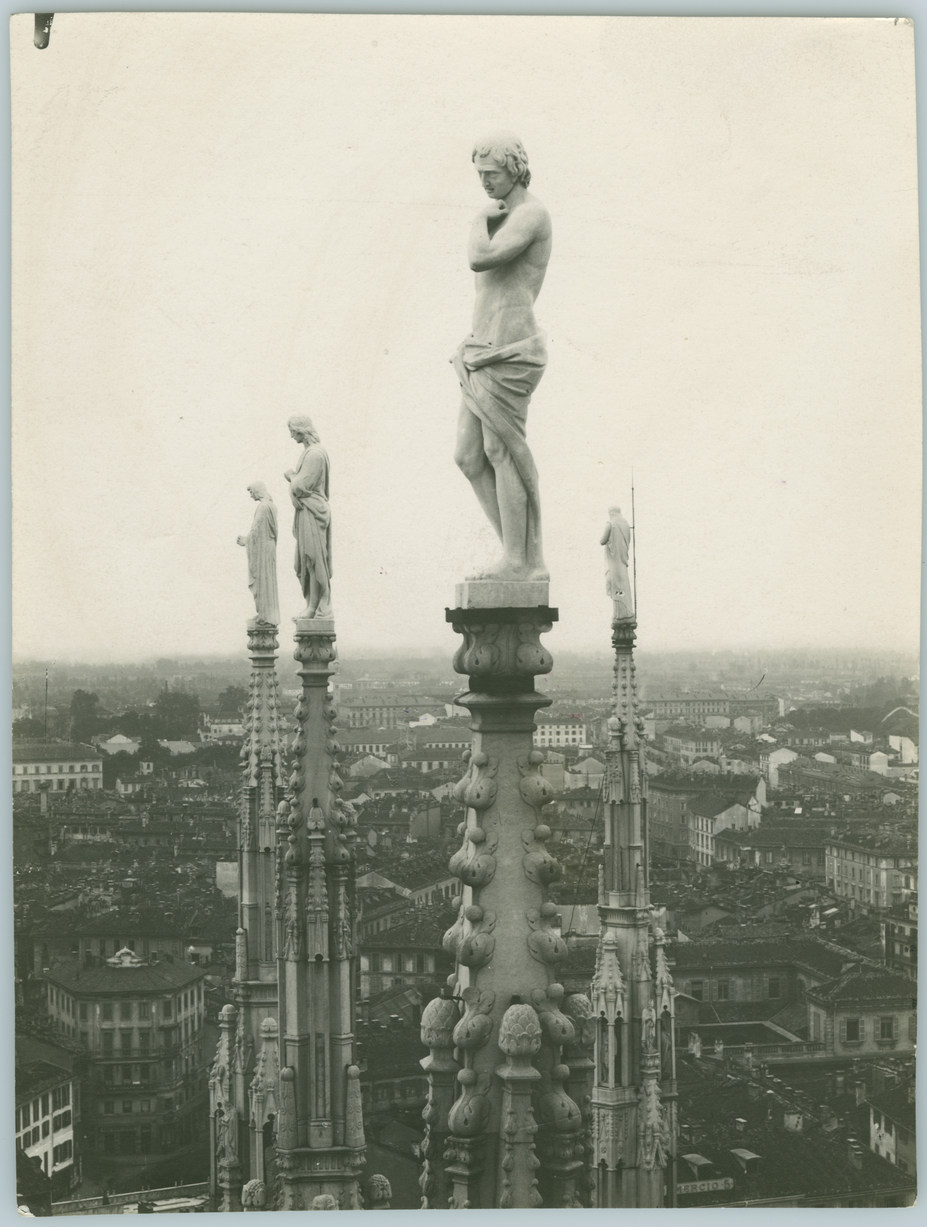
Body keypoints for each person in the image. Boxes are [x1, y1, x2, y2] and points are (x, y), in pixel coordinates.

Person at [453, 133, 552, 580]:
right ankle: (520, 556)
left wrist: (478, 220)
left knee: (501, 449)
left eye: (491, 174)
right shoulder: (504, 213)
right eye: (479, 175)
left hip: (511, 349)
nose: (485, 183)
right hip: (481, 348)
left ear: (514, 168)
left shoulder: (531, 214)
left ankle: (520, 561)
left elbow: (482, 258)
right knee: (470, 456)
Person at [284, 415, 332, 619]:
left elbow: (301, 486)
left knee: (313, 560)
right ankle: (311, 605)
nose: (291, 435)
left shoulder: (314, 454)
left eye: (292, 430)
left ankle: (316, 607)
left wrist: (290, 476)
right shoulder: (309, 453)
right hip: (308, 511)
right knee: (307, 560)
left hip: (313, 512)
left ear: (301, 429)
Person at [237, 482, 279, 625]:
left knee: (262, 581)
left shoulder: (263, 507)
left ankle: (265, 616)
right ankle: (264, 613)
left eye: (251, 492)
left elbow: (256, 530)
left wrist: (245, 541)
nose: (250, 496)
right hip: (267, 548)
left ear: (257, 491)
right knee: (266, 581)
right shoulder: (270, 505)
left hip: (263, 551)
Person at [601, 506, 633, 618]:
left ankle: (620, 615)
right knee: (623, 585)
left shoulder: (610, 523)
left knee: (616, 586)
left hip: (613, 561)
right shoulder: (625, 524)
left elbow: (602, 541)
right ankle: (627, 612)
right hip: (623, 559)